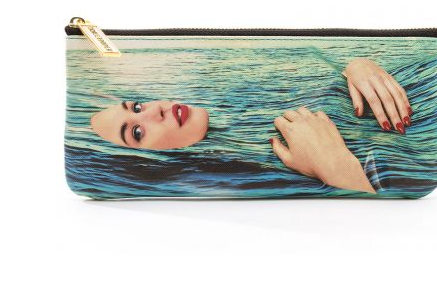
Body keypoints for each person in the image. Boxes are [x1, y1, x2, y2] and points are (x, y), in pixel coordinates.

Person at [89, 57, 412, 194]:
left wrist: (357, 65)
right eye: (137, 132)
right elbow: (382, 226)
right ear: (142, 166)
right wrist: (335, 166)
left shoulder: (239, 95)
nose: (154, 111)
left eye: (137, 106)